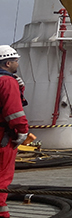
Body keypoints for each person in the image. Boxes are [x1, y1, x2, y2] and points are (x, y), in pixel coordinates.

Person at [0, 45, 28, 217]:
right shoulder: (7, 81)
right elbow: (14, 111)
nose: (18, 64)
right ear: (8, 62)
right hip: (3, 137)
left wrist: (20, 89)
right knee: (2, 176)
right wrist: (22, 130)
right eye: (16, 61)